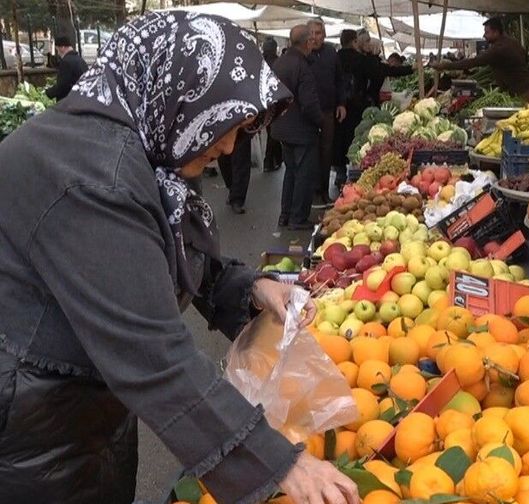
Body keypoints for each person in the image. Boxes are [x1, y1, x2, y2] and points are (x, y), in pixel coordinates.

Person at [0, 12, 360, 504]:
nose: (229, 145)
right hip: (33, 423)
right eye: (224, 125)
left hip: (86, 407)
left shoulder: (140, 145)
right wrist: (276, 463)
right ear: (181, 93)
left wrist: (250, 286)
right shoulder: (89, 174)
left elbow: (162, 251)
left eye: (242, 129)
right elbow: (151, 350)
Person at [271, 25, 323, 230]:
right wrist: (321, 122)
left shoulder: (279, 63)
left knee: (291, 172)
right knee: (303, 174)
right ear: (307, 42)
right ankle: (298, 217)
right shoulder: (302, 66)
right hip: (301, 130)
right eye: (312, 39)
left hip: (282, 128)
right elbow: (309, 103)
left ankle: (285, 215)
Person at [430, 17, 529, 104]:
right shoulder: (512, 42)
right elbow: (526, 58)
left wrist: (443, 66)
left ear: (496, 32)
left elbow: (472, 62)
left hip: (523, 94)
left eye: (487, 32)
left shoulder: (499, 48)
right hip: (528, 89)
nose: (484, 35)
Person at [308, 19, 347, 207]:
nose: (315, 37)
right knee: (310, 151)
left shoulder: (331, 53)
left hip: (328, 111)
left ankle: (323, 190)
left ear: (324, 35)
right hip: (307, 113)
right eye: (312, 33)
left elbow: (340, 79)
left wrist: (341, 103)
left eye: (318, 33)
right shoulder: (303, 54)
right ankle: (312, 190)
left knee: (326, 151)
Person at [333, 29, 370, 189]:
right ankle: (353, 173)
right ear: (354, 41)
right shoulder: (361, 60)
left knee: (338, 139)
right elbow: (376, 72)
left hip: (338, 106)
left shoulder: (334, 58)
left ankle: (340, 173)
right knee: (355, 138)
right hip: (356, 106)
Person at [364, 38, 413, 107]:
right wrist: (412, 68)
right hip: (374, 99)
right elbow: (394, 71)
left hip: (375, 98)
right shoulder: (376, 64)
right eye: (378, 48)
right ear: (374, 48)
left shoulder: (372, 62)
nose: (380, 51)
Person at [218, 128, 253, 214]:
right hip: (223, 127)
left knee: (241, 161)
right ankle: (232, 189)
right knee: (224, 160)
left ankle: (237, 198)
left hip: (242, 126)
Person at [262, 37, 283, 173]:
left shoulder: (259, 63)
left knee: (271, 132)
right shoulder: (278, 63)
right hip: (276, 102)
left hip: (263, 103)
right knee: (273, 133)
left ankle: (273, 159)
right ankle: (270, 160)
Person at [44, 36, 88, 101]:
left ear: (62, 47)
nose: (58, 53)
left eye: (57, 49)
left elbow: (62, 85)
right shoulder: (80, 60)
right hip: (82, 98)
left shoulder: (66, 62)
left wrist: (48, 93)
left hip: (70, 102)